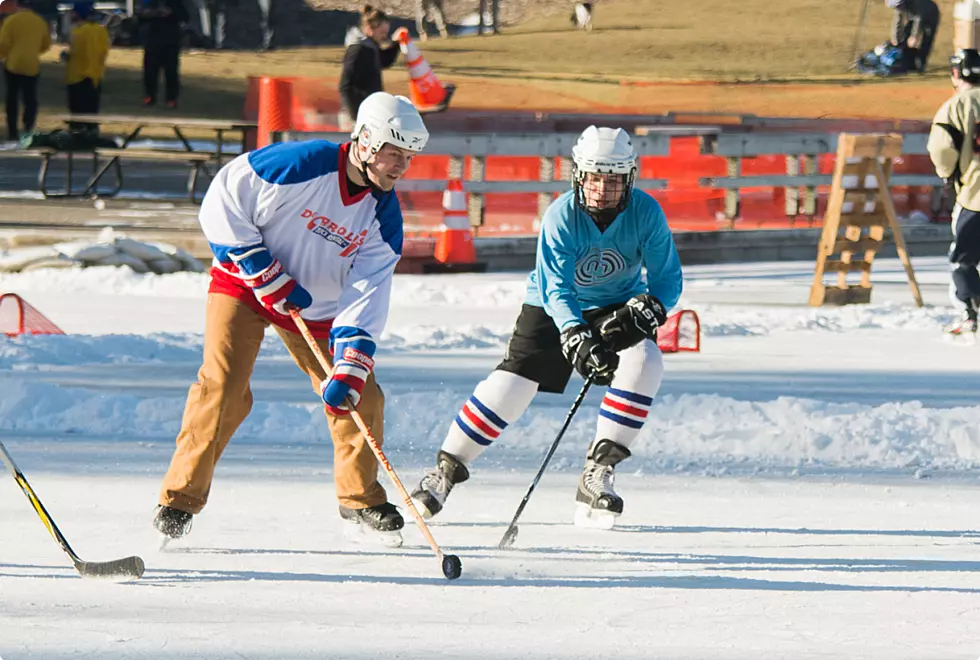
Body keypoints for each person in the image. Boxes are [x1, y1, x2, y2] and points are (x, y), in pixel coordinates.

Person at [153, 92, 429, 546]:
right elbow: (224, 196)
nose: (399, 166)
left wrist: (353, 361)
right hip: (245, 284)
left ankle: (359, 498)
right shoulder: (304, 163)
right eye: (392, 152)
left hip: (318, 310)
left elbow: (368, 289)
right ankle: (179, 499)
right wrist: (263, 271)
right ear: (363, 142)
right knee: (222, 389)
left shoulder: (384, 214)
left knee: (360, 397)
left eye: (408, 157)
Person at [411, 126, 683, 530]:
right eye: (593, 178)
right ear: (578, 176)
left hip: (618, 302)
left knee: (645, 361)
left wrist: (653, 307)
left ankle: (599, 471)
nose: (601, 190)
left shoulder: (646, 212)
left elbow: (667, 279)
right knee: (514, 385)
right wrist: (575, 333)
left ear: (629, 178)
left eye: (612, 180)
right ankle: (445, 472)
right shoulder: (561, 215)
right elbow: (556, 286)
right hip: (553, 305)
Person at [928, 49, 980, 336]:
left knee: (964, 259)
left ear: (957, 73)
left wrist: (948, 174)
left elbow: (941, 147)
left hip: (974, 195)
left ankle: (969, 313)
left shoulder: (956, 105)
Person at [338, 5, 398, 132]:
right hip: (358, 117)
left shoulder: (371, 46)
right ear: (370, 29)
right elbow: (345, 85)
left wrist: (396, 43)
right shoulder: (358, 49)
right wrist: (355, 118)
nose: (384, 37)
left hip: (370, 113)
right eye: (382, 33)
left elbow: (383, 61)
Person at [0, 0, 51, 143]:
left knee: (12, 100)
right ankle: (28, 130)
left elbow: (3, 43)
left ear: (17, 5)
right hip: (31, 65)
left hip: (13, 64)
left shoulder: (11, 20)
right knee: (30, 100)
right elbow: (46, 44)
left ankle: (12, 133)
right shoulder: (40, 21)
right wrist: (34, 50)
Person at [63, 2, 110, 135]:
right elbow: (103, 51)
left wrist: (66, 55)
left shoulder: (78, 31)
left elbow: (75, 51)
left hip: (77, 76)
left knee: (77, 114)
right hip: (95, 75)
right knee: (92, 112)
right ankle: (92, 134)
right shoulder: (101, 30)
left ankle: (78, 137)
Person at [139, 0, 188, 108]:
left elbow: (185, 17)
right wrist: (150, 14)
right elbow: (140, 18)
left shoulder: (176, 3)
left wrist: (172, 13)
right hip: (153, 42)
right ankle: (150, 96)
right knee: (150, 72)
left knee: (171, 72)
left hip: (171, 43)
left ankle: (171, 99)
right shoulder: (151, 3)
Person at [887, 0, 940, 72]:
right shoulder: (899, 7)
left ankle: (921, 65)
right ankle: (909, 63)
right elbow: (897, 22)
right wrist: (895, 39)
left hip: (931, 15)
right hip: (914, 17)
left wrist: (914, 36)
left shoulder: (915, 3)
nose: (898, 9)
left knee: (926, 40)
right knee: (905, 37)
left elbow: (919, 19)